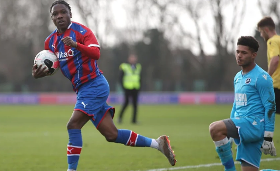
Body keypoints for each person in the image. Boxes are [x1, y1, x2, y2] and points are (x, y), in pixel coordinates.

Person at [31, 1, 176, 171]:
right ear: (52, 18)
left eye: (63, 12)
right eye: (55, 14)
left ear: (70, 14)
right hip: (82, 90)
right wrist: (37, 74)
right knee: (111, 134)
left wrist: (76, 45)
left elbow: (96, 53)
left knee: (73, 125)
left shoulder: (82, 32)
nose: (59, 16)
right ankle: (157, 144)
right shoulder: (50, 42)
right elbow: (51, 65)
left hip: (94, 85)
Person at [209, 36, 276, 171]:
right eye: (237, 51)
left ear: (253, 55)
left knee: (214, 128)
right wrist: (231, 130)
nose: (239, 55)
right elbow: (236, 103)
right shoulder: (238, 77)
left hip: (253, 125)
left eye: (244, 53)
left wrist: (268, 137)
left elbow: (270, 106)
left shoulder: (262, 78)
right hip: (242, 125)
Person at [257, 16, 280, 114]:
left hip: (276, 85)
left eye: (261, 32)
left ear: (266, 30)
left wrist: (267, 76)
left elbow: (275, 60)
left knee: (258, 110)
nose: (261, 35)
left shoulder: (272, 41)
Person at [118, 54, 142, 124]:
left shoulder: (138, 66)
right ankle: (120, 117)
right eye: (132, 58)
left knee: (135, 104)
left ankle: (134, 120)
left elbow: (140, 77)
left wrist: (140, 86)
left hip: (136, 87)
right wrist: (123, 87)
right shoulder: (124, 66)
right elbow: (120, 78)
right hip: (127, 87)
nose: (133, 59)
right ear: (129, 59)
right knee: (126, 103)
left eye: (134, 58)